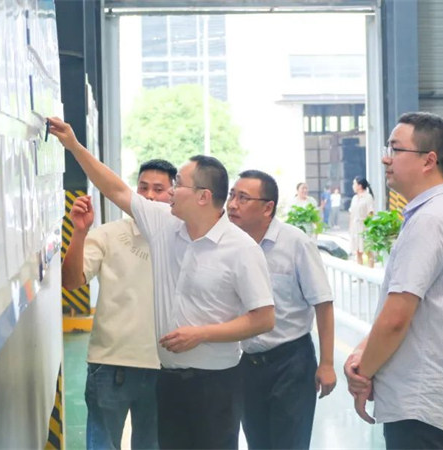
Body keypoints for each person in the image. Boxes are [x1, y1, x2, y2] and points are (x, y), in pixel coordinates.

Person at [47, 117, 275, 450]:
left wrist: (202, 334)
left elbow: (264, 318)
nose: (169, 192)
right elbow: (115, 189)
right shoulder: (164, 224)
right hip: (168, 380)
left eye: (177, 184)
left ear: (203, 196)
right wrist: (73, 145)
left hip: (217, 385)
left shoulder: (241, 249)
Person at [344, 112, 443, 449]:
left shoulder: (430, 220)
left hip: (423, 406)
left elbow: (396, 319)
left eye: (395, 149)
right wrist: (362, 353)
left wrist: (363, 374)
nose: (385, 158)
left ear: (428, 160)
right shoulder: (441, 212)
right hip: (431, 402)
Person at [61, 159, 176, 450]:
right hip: (110, 365)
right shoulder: (108, 234)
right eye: (143, 188)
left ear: (173, 194)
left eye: (159, 189)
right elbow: (71, 281)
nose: (149, 196)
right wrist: (79, 232)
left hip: (164, 365)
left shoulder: (182, 238)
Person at [226, 170, 336, 450]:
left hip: (291, 362)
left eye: (243, 198)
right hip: (248, 365)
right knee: (257, 443)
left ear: (268, 208)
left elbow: (323, 303)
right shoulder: (231, 244)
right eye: (231, 195)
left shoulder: (296, 243)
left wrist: (327, 363)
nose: (232, 204)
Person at [347, 177, 375, 267]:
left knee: (367, 249)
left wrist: (368, 228)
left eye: (354, 184)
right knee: (358, 251)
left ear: (359, 186)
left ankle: (370, 271)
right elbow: (352, 214)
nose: (353, 186)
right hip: (355, 226)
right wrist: (350, 228)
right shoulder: (354, 198)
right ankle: (359, 272)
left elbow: (370, 213)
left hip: (364, 226)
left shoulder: (368, 197)